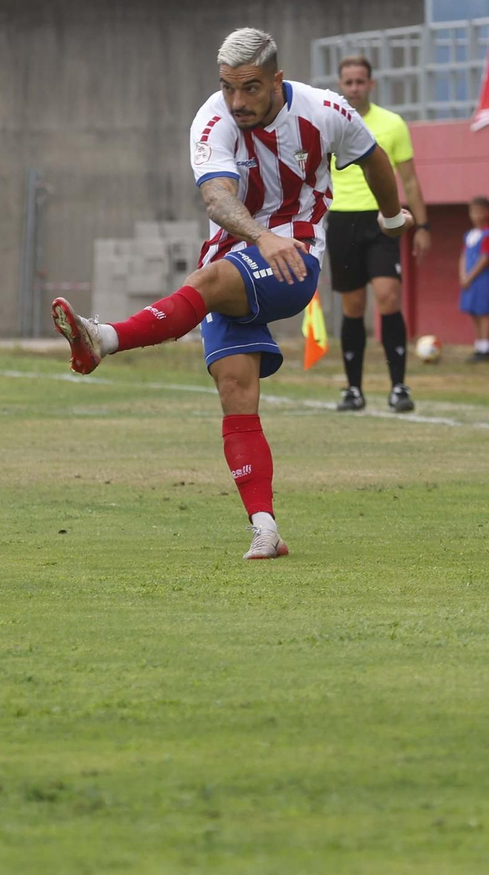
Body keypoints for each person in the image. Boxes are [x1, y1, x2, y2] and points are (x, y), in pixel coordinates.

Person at [51, 28, 412, 561]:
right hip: (238, 253)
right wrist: (259, 236)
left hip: (295, 259)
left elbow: (374, 157)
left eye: (250, 88)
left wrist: (389, 216)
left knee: (210, 282)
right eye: (227, 87)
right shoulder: (212, 119)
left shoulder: (325, 110)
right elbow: (217, 199)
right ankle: (265, 528)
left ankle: (103, 339)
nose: (237, 101)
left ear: (277, 80)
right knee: (235, 392)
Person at [328, 55, 429, 413]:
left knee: (389, 298)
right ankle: (353, 390)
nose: (354, 88)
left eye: (360, 81)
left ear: (371, 84)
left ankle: (399, 387)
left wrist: (423, 224)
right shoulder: (330, 122)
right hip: (341, 220)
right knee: (353, 306)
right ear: (341, 85)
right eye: (348, 82)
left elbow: (410, 179)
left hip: (384, 218)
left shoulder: (392, 123)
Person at [461, 196, 489, 363]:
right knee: (473, 312)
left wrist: (470, 276)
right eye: (472, 212)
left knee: (484, 313)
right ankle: (479, 345)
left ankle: (486, 348)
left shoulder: (487, 234)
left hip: (483, 280)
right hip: (470, 281)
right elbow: (464, 256)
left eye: (479, 211)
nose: (475, 215)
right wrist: (463, 276)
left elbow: (485, 258)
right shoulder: (469, 235)